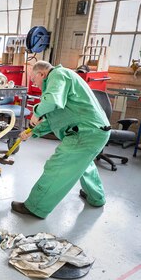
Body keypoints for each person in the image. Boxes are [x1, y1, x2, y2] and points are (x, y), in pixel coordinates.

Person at [11, 60, 111, 219]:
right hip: (96, 133)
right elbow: (55, 118)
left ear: (42, 74)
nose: (34, 84)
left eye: (33, 79)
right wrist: (33, 132)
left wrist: (36, 111)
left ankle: (35, 207)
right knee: (84, 164)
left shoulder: (57, 74)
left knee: (57, 167)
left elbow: (51, 102)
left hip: (85, 133)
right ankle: (96, 198)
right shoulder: (64, 80)